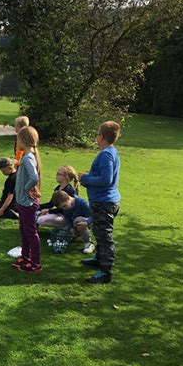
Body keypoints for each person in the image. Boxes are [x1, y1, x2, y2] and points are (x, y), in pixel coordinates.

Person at [79, 121, 121, 284]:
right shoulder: (111, 151)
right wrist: (88, 176)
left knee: (104, 236)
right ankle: (99, 259)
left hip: (105, 202)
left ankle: (105, 271)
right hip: (104, 201)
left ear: (102, 137)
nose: (96, 137)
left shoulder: (106, 154)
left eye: (97, 134)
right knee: (99, 232)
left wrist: (86, 179)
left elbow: (106, 179)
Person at [12, 126, 42, 273]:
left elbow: (34, 177)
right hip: (23, 202)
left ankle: (35, 263)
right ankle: (25, 257)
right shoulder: (27, 156)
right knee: (24, 230)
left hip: (27, 203)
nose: (16, 141)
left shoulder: (28, 158)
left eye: (17, 138)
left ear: (23, 140)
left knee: (30, 232)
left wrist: (26, 188)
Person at [51, 190, 95, 254]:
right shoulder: (65, 207)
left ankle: (88, 243)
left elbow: (93, 216)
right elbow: (67, 217)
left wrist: (87, 223)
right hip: (74, 223)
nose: (64, 209)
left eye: (64, 206)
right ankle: (72, 236)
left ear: (68, 198)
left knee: (78, 220)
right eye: (62, 207)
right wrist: (71, 228)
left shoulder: (81, 203)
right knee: (62, 234)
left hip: (87, 222)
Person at [37, 165, 79, 230]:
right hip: (60, 214)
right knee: (36, 213)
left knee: (40, 219)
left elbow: (65, 209)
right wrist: (37, 206)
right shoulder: (58, 188)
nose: (56, 175)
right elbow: (51, 204)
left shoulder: (69, 190)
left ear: (66, 177)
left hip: (66, 217)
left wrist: (48, 211)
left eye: (59, 174)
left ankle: (65, 229)